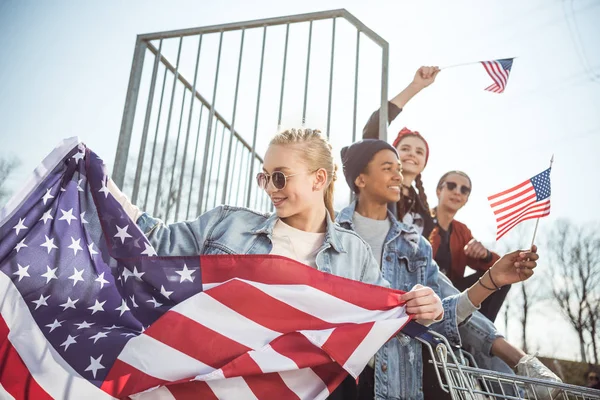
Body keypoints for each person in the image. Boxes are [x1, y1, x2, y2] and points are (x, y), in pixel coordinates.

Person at [108, 128, 445, 396]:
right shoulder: (228, 224)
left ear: (318, 179)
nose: (270, 188)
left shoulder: (354, 254)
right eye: (264, 177)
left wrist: (428, 304)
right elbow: (158, 240)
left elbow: (392, 310)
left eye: (281, 177)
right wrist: (102, 188)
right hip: (210, 383)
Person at [336, 139, 541, 400]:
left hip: (400, 373)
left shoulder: (414, 244)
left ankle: (521, 373)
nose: (398, 175)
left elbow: (440, 315)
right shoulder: (330, 232)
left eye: (399, 168)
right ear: (360, 180)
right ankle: (520, 366)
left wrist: (491, 279)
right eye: (389, 167)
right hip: (342, 372)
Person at [430, 170, 509, 322]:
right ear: (439, 191)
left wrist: (485, 255)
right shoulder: (420, 219)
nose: (457, 192)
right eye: (451, 186)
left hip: (450, 292)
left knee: (500, 278)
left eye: (464, 190)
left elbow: (495, 266)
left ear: (466, 199)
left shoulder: (462, 231)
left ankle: (480, 335)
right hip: (421, 287)